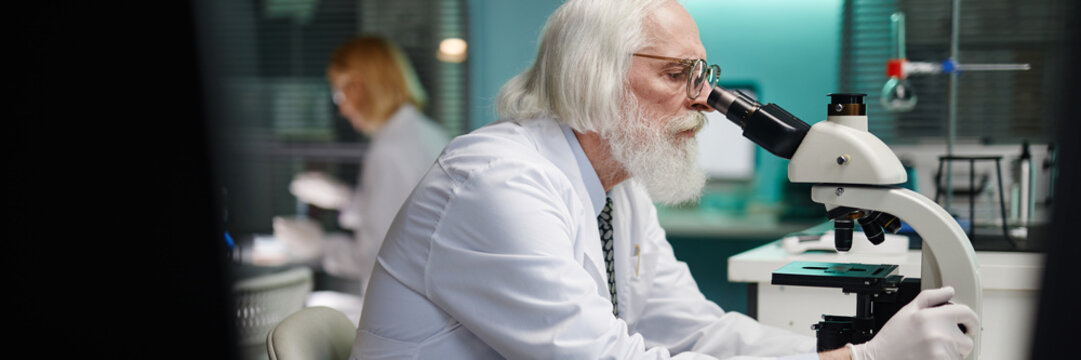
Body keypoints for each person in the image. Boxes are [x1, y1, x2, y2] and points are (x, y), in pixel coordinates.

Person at [351, 1, 979, 359]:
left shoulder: (616, 191)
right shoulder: (496, 184)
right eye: (678, 74)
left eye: (703, 74)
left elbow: (697, 330)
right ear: (590, 74)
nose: (704, 101)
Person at [288, 35, 449, 297]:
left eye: (339, 92)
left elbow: (374, 257)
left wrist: (319, 246)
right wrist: (347, 199)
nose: (341, 109)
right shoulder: (423, 132)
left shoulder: (389, 150)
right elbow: (400, 216)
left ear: (360, 86)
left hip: (403, 302)